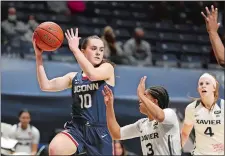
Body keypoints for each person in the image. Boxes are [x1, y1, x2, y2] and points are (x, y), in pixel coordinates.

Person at [33, 28, 115, 155]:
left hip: (100, 131)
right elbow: (46, 85)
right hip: (77, 128)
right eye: (93, 49)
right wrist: (39, 57)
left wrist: (75, 50)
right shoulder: (74, 77)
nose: (98, 53)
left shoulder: (107, 69)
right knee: (55, 149)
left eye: (101, 49)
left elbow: (92, 75)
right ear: (83, 51)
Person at [102, 76, 181, 155]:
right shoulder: (142, 124)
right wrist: (109, 106)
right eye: (141, 96)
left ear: (154, 101)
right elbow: (116, 133)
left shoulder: (170, 114)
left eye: (145, 95)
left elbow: (159, 116)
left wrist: (140, 94)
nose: (140, 98)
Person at [181, 73, 224, 155]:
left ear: (214, 88)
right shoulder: (191, 108)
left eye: (207, 83)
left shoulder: (223, 105)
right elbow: (185, 133)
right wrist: (176, 151)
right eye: (201, 84)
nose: (203, 86)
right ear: (198, 89)